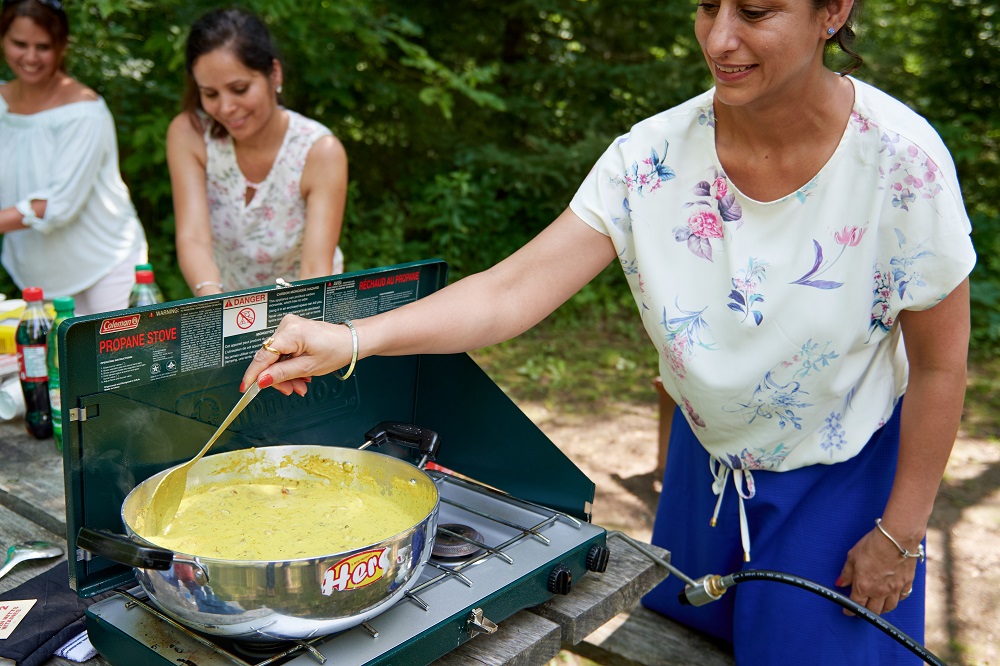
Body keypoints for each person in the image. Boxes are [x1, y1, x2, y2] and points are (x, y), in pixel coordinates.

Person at [240, 0, 975, 662]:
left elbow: (940, 369)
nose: (721, 39)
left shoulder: (900, 164)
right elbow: (510, 290)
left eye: (754, 10)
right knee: (680, 644)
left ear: (832, 11)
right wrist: (353, 338)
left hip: (846, 476)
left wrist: (899, 533)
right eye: (706, 6)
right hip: (704, 470)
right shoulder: (650, 158)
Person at [167, 7, 348, 297]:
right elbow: (193, 238)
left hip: (306, 304)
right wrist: (216, 306)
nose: (225, 108)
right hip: (225, 304)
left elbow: (316, 270)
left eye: (239, 89)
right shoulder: (189, 134)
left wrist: (294, 333)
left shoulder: (320, 151)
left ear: (274, 74)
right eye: (211, 94)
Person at [0, 0, 147, 315]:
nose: (30, 57)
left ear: (62, 46)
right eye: (19, 44)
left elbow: (58, 205)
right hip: (39, 272)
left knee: (117, 363)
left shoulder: (84, 111)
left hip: (106, 265)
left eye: (43, 46)